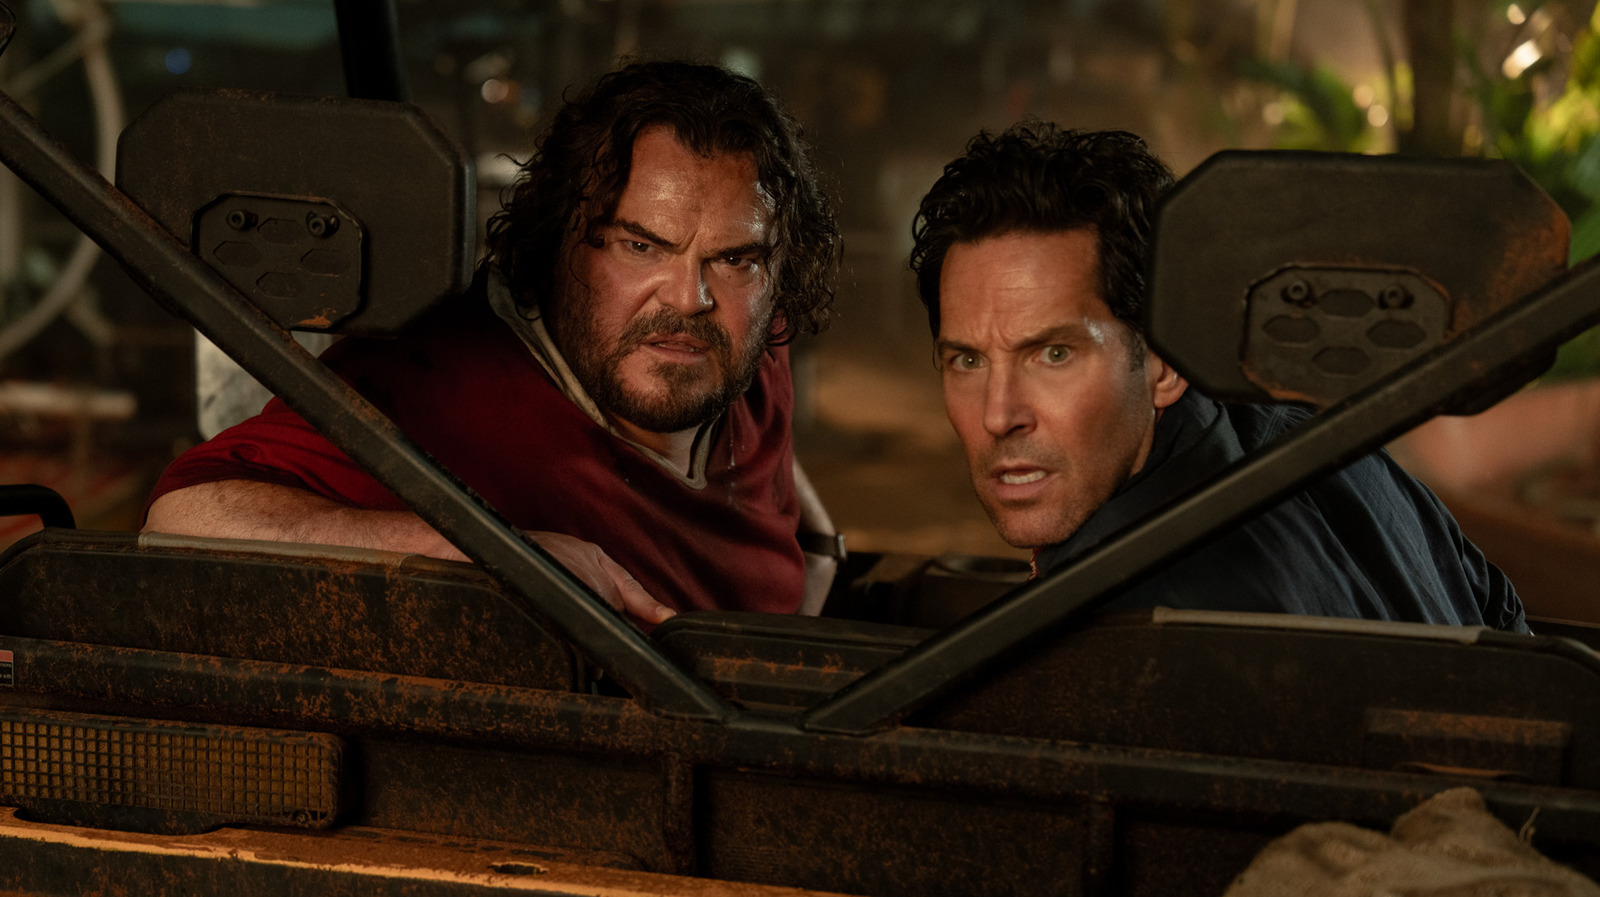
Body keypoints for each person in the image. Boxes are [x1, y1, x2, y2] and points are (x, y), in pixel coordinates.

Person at [144, 61, 845, 626]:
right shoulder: (440, 384)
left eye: (734, 258)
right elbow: (184, 517)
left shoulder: (742, 339)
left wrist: (819, 552)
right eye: (640, 246)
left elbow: (772, 466)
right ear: (559, 240)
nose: (689, 298)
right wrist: (498, 554)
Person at [909, 123, 1527, 631]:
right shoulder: (1327, 445)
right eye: (968, 361)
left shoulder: (1131, 630)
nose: (998, 415)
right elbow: (1503, 620)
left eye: (1053, 355)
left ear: (1165, 363)